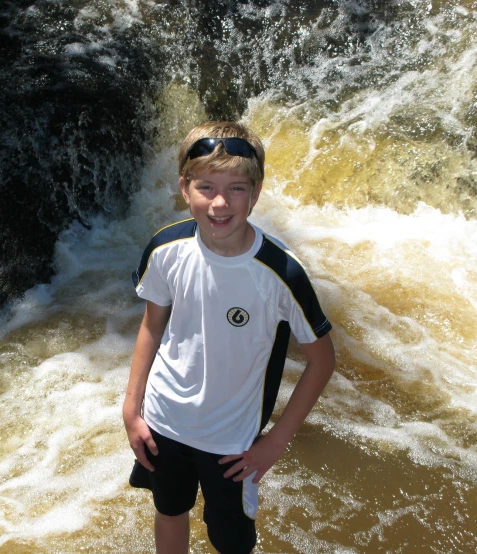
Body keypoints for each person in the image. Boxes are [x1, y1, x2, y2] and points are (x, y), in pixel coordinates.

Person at [123, 121, 335, 554]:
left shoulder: (281, 274)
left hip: (232, 445)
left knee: (232, 541)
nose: (220, 203)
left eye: (237, 188)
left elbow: (322, 360)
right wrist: (132, 408)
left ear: (255, 193)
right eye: (206, 187)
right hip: (164, 421)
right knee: (169, 511)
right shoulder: (165, 250)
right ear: (185, 189)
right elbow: (151, 326)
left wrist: (275, 442)